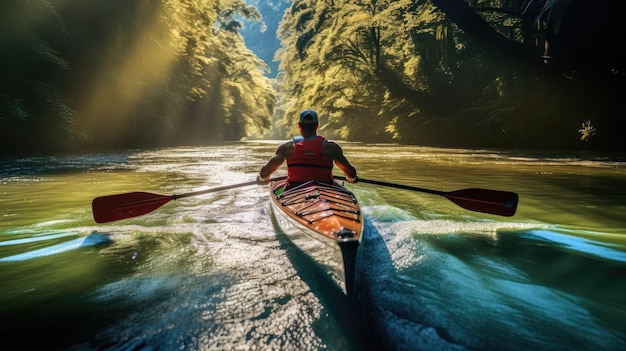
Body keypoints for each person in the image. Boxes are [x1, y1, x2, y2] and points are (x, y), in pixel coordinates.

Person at [256, 109, 358, 188]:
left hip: (294, 190)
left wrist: (262, 179)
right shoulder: (331, 148)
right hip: (325, 190)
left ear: (299, 125)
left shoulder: (287, 148)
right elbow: (351, 173)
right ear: (317, 125)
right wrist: (351, 178)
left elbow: (264, 173)